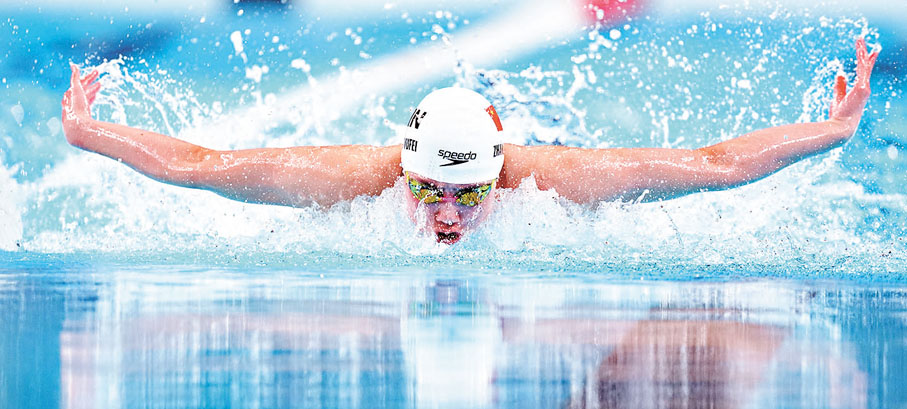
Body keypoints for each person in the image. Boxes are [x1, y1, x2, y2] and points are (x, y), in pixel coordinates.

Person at [62, 39, 878, 245]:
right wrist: (88, 134)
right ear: (405, 170)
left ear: (496, 175)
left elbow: (709, 165)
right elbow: (202, 167)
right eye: (430, 191)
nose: (446, 217)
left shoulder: (551, 182)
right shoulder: (352, 179)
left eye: (466, 194)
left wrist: (829, 132)